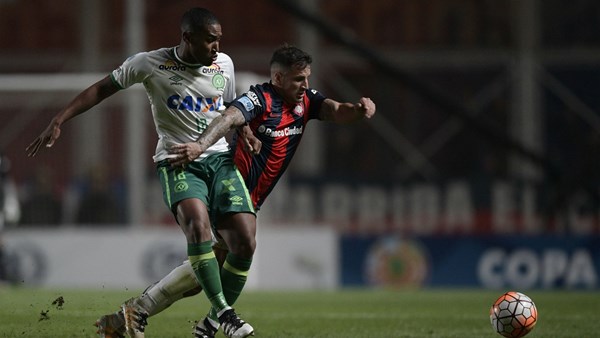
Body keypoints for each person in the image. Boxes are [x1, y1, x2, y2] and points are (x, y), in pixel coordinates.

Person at [95, 44, 376, 338]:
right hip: (228, 187)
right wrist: (202, 145)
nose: (305, 85)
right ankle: (209, 323)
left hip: (251, 196)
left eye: (307, 78)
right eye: (298, 79)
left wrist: (358, 110)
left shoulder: (305, 102)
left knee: (210, 267)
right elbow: (229, 117)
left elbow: (335, 110)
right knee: (225, 256)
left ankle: (134, 315)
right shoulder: (260, 98)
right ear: (278, 78)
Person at [26, 7, 257, 338]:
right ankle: (222, 316)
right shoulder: (150, 64)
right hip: (178, 161)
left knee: (244, 240)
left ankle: (135, 316)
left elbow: (229, 107)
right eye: (209, 41)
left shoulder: (225, 64)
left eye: (218, 41)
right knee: (198, 227)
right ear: (187, 38)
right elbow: (102, 88)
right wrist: (60, 118)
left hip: (220, 160)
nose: (216, 48)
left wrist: (245, 129)